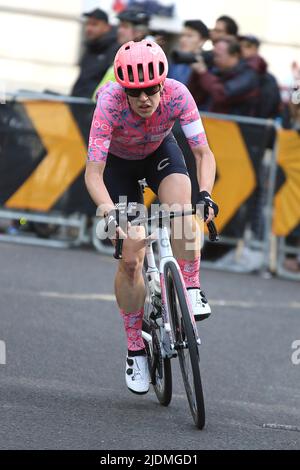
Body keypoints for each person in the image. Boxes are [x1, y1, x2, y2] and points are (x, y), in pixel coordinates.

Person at [85, 40, 218, 394]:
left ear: (162, 84)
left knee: (183, 212)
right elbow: (94, 175)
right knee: (131, 256)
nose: (144, 99)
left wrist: (206, 194)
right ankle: (135, 349)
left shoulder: (178, 94)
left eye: (150, 90)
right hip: (119, 166)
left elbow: (203, 153)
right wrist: (111, 213)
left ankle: (190, 286)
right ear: (123, 89)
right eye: (135, 92)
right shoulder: (109, 103)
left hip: (161, 152)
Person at [188, 38, 260, 116]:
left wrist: (203, 73)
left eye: (217, 55)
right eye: (213, 54)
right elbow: (193, 98)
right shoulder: (219, 71)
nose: (214, 59)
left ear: (234, 55)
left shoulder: (248, 75)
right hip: (215, 123)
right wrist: (196, 74)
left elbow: (222, 95)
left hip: (235, 126)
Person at [92, 7, 151, 99]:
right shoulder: (122, 53)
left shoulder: (142, 60)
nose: (119, 30)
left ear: (139, 32)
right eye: (119, 26)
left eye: (125, 26)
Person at [71, 9, 118, 98]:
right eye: (87, 24)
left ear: (106, 27)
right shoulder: (91, 46)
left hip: (97, 106)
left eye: (94, 24)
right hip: (78, 104)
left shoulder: (114, 50)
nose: (89, 28)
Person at [239, 35, 281, 118]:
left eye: (246, 46)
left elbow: (272, 103)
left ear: (255, 49)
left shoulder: (266, 77)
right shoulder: (237, 70)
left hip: (255, 122)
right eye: (239, 46)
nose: (241, 49)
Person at [168, 20, 210, 85]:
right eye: (182, 35)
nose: (182, 39)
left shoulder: (209, 65)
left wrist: (203, 73)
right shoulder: (175, 60)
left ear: (202, 40)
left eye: (189, 36)